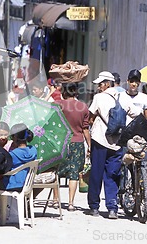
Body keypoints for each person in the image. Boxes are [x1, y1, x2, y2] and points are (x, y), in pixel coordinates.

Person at [87, 71, 137, 219]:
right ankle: (112, 208)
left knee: (96, 173)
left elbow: (90, 117)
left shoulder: (99, 97)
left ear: (107, 84)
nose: (98, 87)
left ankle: (94, 207)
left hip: (100, 140)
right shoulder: (124, 97)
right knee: (113, 174)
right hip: (118, 142)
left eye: (100, 84)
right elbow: (135, 113)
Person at [56, 83, 90, 212]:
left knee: (56, 171)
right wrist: (89, 145)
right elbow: (85, 129)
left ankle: (55, 200)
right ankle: (70, 203)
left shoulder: (58, 105)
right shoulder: (83, 107)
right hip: (77, 142)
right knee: (74, 173)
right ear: (76, 92)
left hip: (61, 142)